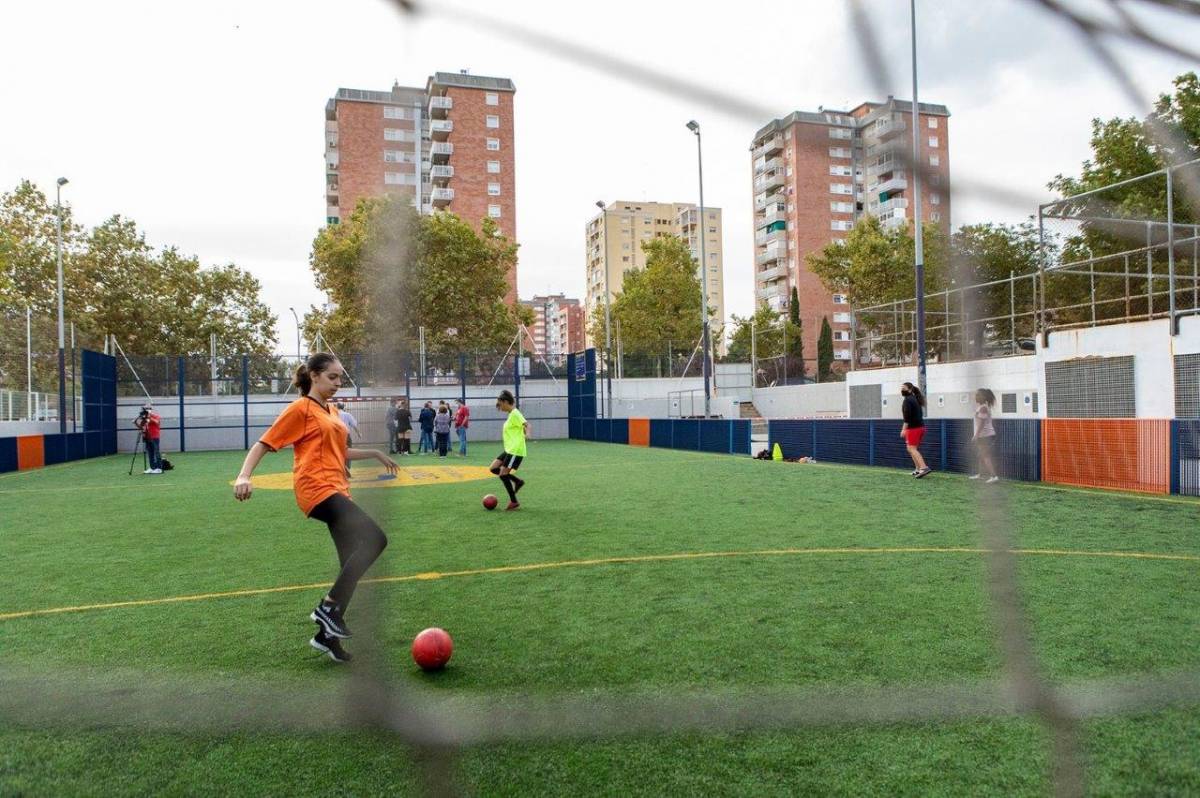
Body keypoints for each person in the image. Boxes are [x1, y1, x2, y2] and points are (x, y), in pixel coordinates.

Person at [233, 353, 398, 664]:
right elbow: (264, 443)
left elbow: (340, 450)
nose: (338, 384)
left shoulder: (331, 410)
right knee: (376, 539)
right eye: (332, 377)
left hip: (338, 488)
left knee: (350, 564)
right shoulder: (300, 409)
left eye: (340, 378)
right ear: (314, 375)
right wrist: (244, 475)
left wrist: (376, 452)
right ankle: (326, 608)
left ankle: (326, 637)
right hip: (317, 489)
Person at [489, 389, 529, 510]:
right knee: (493, 468)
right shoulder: (511, 414)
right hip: (509, 450)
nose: (500, 408)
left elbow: (526, 424)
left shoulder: (515, 413)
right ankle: (517, 481)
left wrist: (527, 433)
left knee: (503, 474)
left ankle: (514, 501)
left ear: (506, 402)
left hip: (515, 450)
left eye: (500, 405)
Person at [900, 381, 931, 478]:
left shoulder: (907, 400)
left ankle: (924, 467)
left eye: (904, 388)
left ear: (909, 389)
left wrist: (903, 429)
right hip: (920, 427)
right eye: (901, 388)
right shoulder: (914, 399)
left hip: (914, 428)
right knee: (911, 448)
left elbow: (907, 417)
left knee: (911, 448)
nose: (902, 389)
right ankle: (918, 469)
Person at [969, 388, 999, 484]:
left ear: (982, 397)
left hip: (986, 436)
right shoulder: (982, 407)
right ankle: (980, 475)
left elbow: (981, 424)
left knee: (985, 455)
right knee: (981, 455)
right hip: (983, 436)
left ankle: (994, 476)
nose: (975, 397)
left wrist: (976, 435)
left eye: (977, 395)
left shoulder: (983, 408)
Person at [134, 403, 163, 474]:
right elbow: (141, 427)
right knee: (150, 453)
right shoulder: (144, 418)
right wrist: (135, 423)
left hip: (155, 436)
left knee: (156, 452)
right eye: (145, 409)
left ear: (150, 409)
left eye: (147, 408)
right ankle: (152, 467)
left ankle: (159, 468)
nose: (146, 410)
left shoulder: (156, 416)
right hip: (147, 437)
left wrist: (149, 417)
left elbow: (157, 422)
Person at [336, 402, 359, 474]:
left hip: (336, 436)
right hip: (346, 436)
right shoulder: (347, 415)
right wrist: (358, 433)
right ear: (343, 407)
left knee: (337, 453)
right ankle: (347, 470)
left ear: (337, 407)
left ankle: (339, 470)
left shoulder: (334, 414)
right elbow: (354, 425)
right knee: (348, 453)